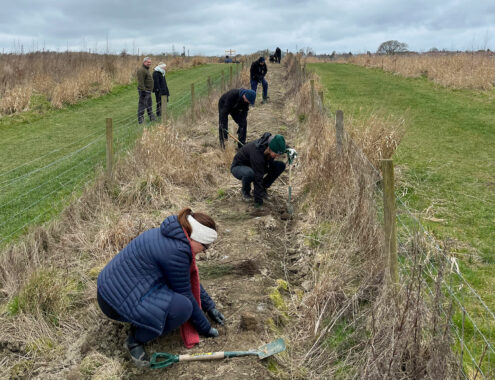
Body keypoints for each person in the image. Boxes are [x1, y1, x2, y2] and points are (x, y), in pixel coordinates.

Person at [97, 208, 225, 367]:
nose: (205, 252)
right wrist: (205, 328)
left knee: (177, 299)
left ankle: (142, 317)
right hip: (114, 303)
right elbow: (186, 293)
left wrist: (209, 306)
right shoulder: (177, 251)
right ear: (195, 239)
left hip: (112, 289)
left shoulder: (170, 235)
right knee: (183, 308)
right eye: (205, 247)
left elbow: (184, 280)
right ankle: (135, 340)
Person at [231, 132, 287, 207]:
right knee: (250, 174)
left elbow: (280, 145)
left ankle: (263, 188)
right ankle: (246, 192)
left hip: (255, 165)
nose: (277, 156)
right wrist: (258, 202)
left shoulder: (271, 143)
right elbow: (258, 179)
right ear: (270, 148)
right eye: (276, 153)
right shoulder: (257, 153)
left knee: (280, 166)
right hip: (239, 167)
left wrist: (289, 149)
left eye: (279, 154)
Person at [137, 57, 156, 124]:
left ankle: (152, 117)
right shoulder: (141, 70)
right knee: (142, 105)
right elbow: (141, 82)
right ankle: (141, 120)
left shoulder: (146, 69)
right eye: (148, 62)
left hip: (148, 91)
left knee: (149, 105)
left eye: (150, 62)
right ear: (144, 62)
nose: (149, 63)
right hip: (144, 91)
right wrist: (143, 91)